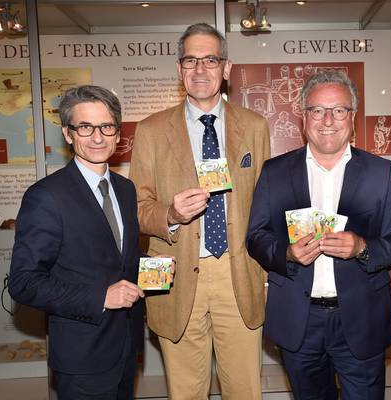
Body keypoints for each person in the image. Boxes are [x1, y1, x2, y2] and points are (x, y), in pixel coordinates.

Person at [246, 70, 391, 399]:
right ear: (303, 116)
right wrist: (287, 253)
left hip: (362, 319)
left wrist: (362, 247)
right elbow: (256, 237)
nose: (327, 120)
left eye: (338, 110)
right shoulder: (275, 172)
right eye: (317, 110)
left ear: (353, 117)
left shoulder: (381, 173)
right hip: (299, 320)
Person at [128, 23, 270, 400]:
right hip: (176, 272)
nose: (200, 69)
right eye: (191, 61)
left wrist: (270, 270)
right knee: (186, 392)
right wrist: (170, 215)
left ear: (226, 68)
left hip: (237, 273)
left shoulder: (255, 127)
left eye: (210, 60)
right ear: (179, 69)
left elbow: (266, 206)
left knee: (245, 390)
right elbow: (137, 208)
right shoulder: (151, 130)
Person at [9, 85, 145, 399]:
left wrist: (154, 266)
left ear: (118, 133)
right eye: (85, 127)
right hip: (82, 357)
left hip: (126, 347)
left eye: (106, 126)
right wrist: (101, 297)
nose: (97, 137)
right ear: (68, 134)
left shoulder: (125, 189)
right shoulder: (46, 196)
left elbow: (118, 258)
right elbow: (23, 282)